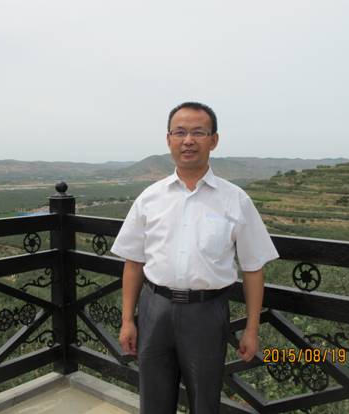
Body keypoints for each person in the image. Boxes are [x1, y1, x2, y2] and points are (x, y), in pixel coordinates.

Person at [110, 102, 279, 414]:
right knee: (153, 399)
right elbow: (133, 263)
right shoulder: (150, 198)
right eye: (180, 132)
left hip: (207, 312)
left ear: (214, 140)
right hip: (154, 308)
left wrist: (251, 329)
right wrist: (127, 320)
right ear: (169, 140)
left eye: (198, 133)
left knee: (205, 400)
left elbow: (253, 269)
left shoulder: (235, 200)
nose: (188, 140)